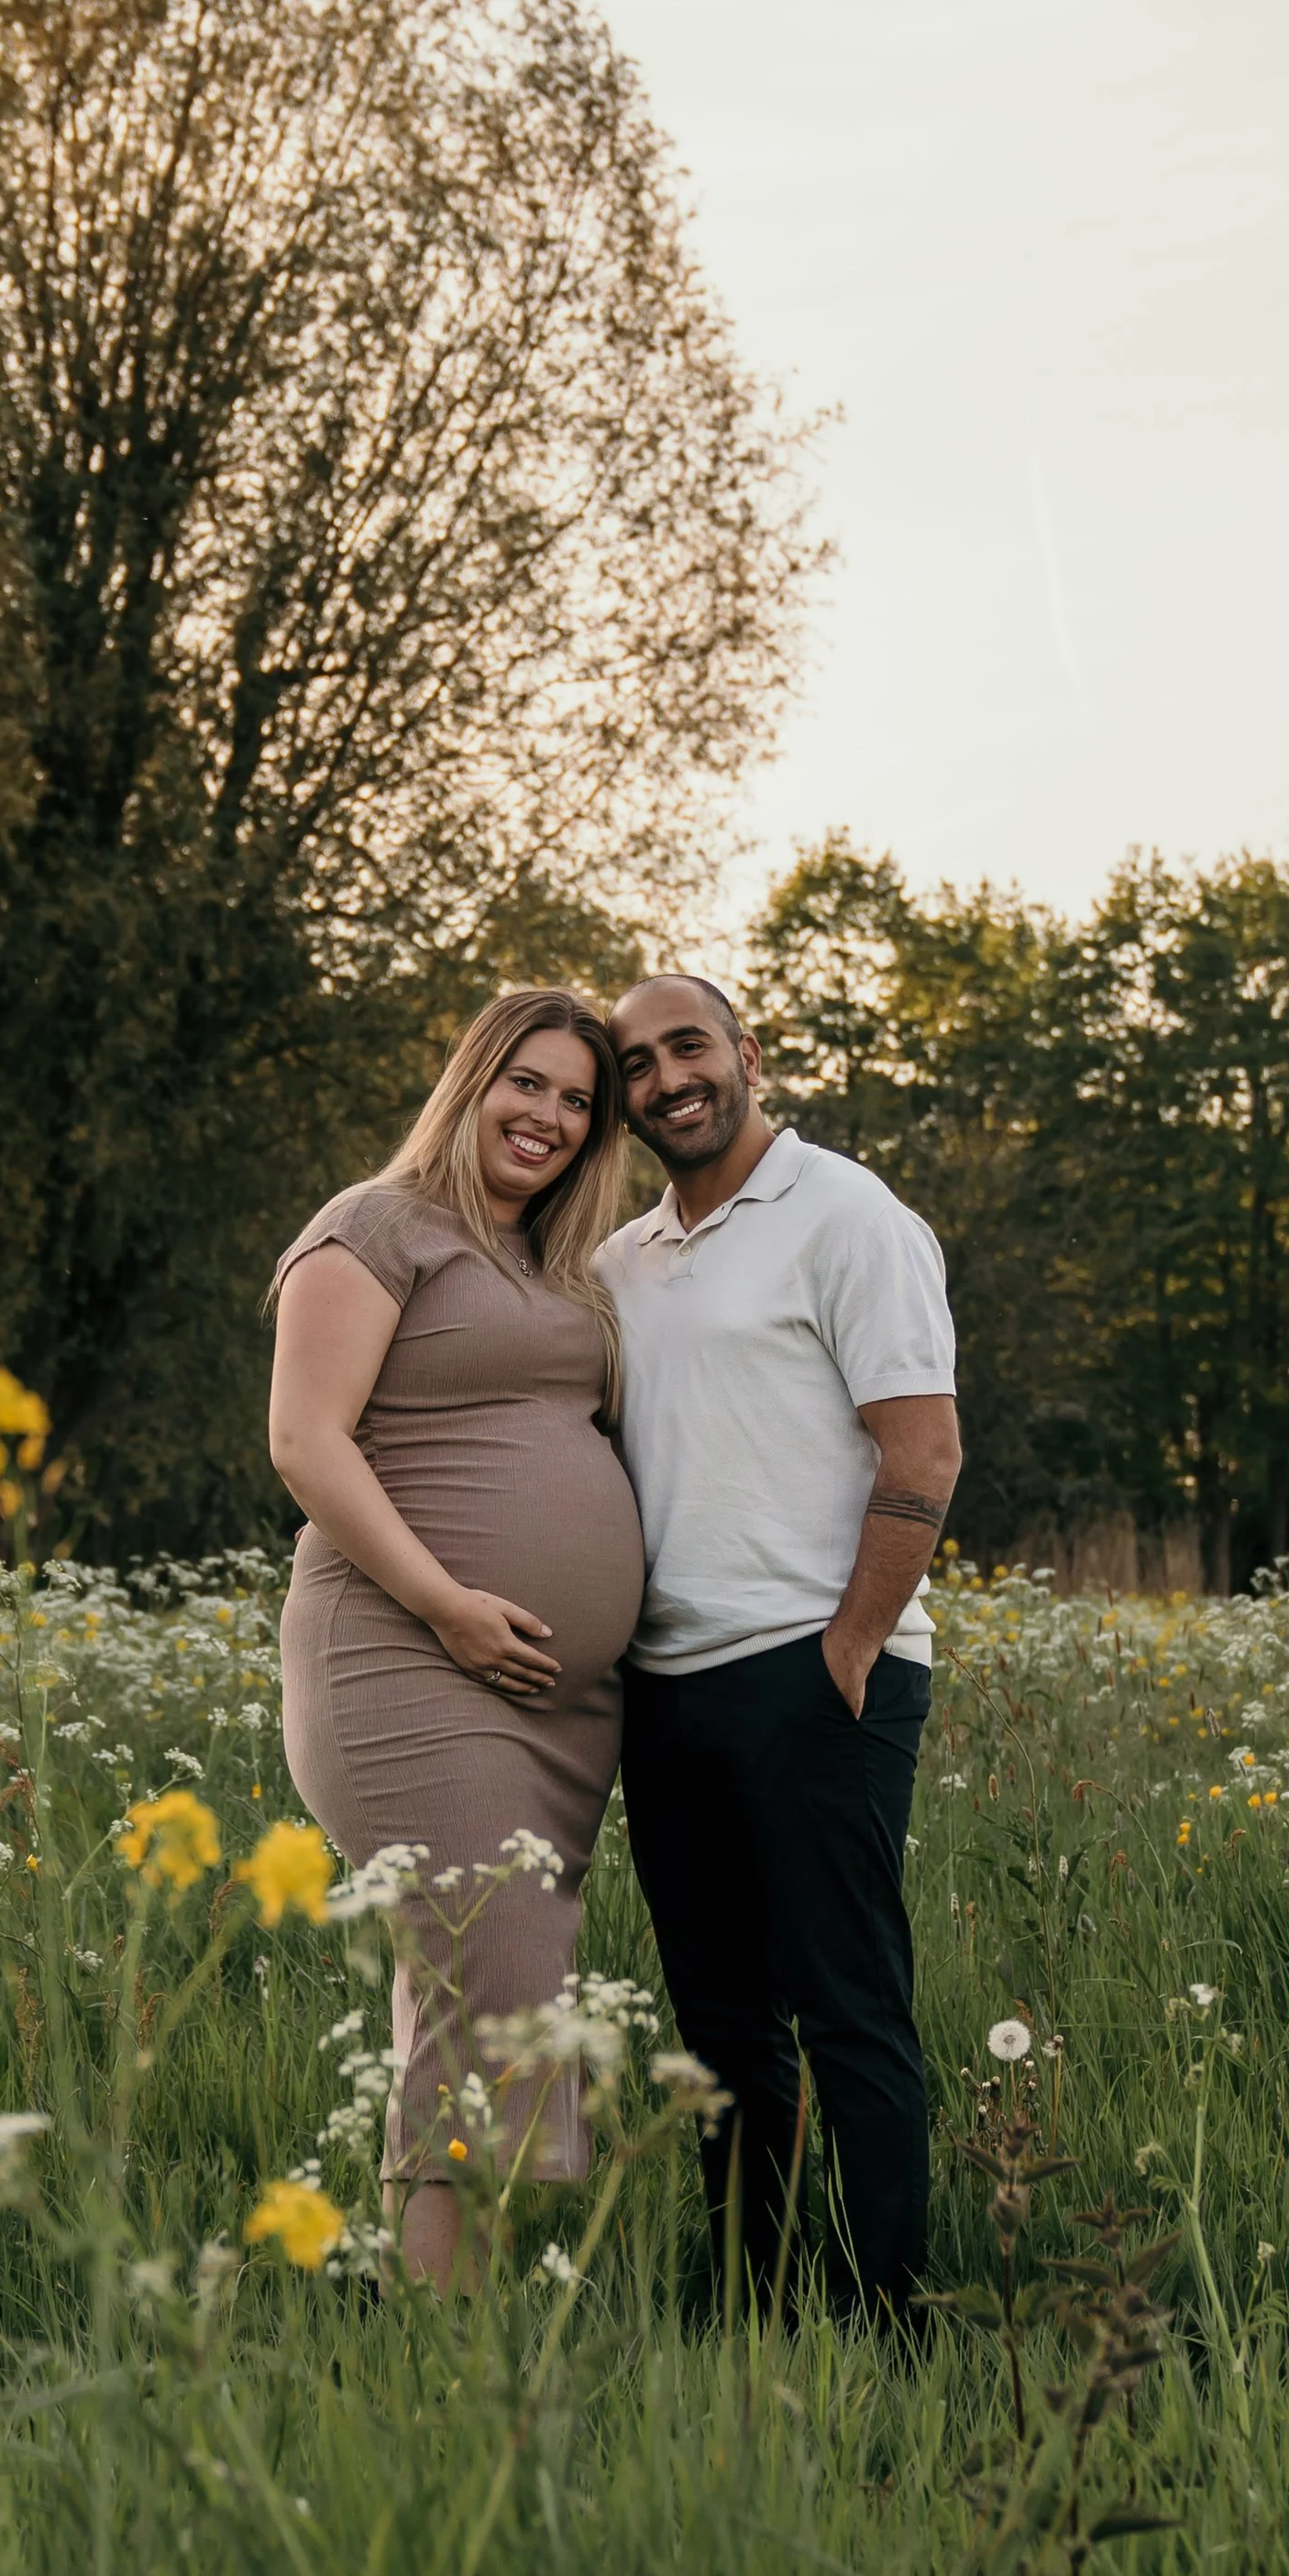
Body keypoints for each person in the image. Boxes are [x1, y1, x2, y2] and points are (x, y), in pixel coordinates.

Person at [268, 988, 643, 2291]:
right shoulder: (374, 1228)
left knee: (482, 1979)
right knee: (488, 1977)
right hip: (406, 1660)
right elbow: (307, 1439)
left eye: (577, 1102)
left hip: (552, 1701)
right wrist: (447, 1602)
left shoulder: (554, 1263)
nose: (548, 1115)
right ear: (473, 1079)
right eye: (526, 1083)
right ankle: (439, 2317)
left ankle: (423, 2304)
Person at [601, 974, 960, 2324]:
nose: (666, 1078)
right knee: (723, 2034)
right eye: (635, 1064)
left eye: (687, 1046)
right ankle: (752, 2302)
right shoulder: (625, 1258)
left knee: (850, 2015)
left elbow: (923, 1445)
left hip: (816, 1667)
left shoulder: (848, 1213)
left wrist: (853, 1644)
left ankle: (893, 2321)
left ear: (748, 1054)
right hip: (667, 1688)